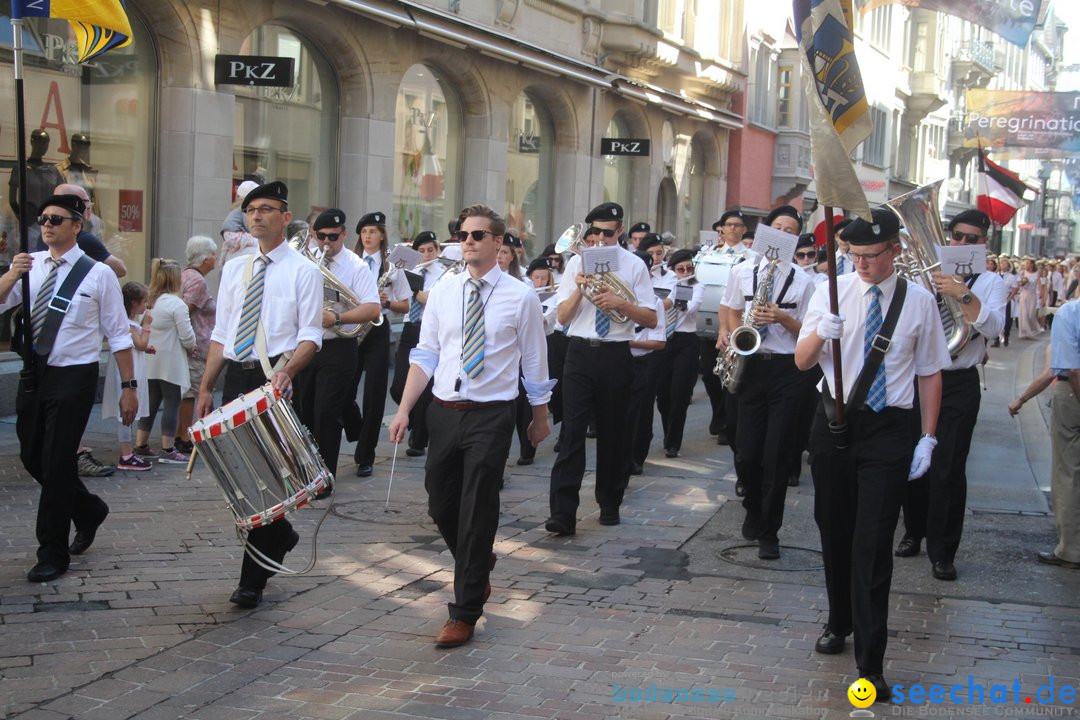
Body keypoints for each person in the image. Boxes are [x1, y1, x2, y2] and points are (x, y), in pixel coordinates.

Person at [795, 207, 950, 702]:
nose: (861, 264)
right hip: (834, 422)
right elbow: (802, 361)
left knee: (873, 541)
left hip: (890, 429)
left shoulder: (919, 301)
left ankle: (871, 662)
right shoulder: (830, 292)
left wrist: (928, 436)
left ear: (895, 251)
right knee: (833, 527)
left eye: (871, 255)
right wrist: (824, 332)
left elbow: (929, 371)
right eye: (853, 255)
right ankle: (838, 618)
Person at [388, 204, 552, 648]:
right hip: (444, 410)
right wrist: (404, 409)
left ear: (499, 242)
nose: (469, 241)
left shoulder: (521, 297)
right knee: (441, 503)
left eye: (479, 235)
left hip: (492, 414)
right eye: (464, 234)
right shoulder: (444, 289)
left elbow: (535, 362)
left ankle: (464, 612)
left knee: (478, 507)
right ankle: (476, 564)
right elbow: (425, 353)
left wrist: (539, 417)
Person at [196, 181, 323, 608]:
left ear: (285, 218)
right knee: (241, 475)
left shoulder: (304, 270)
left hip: (276, 379)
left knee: (268, 478)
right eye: (251, 209)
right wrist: (206, 385)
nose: (256, 216)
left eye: (267, 209)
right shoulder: (234, 268)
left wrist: (287, 371)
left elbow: (311, 335)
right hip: (236, 377)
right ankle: (280, 536)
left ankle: (252, 579)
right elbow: (221, 333)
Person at [1, 193, 138, 582]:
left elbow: (119, 334)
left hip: (74, 378)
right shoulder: (29, 266)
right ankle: (89, 509)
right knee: (33, 457)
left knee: (59, 463)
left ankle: (52, 551)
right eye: (43, 218)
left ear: (77, 226)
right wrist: (12, 273)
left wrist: (129, 386)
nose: (47, 224)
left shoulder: (98, 275)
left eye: (57, 219)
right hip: (33, 374)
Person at [894, 209, 1007, 580]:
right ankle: (914, 530)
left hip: (958, 381)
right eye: (956, 235)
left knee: (948, 467)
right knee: (913, 458)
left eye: (971, 239)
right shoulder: (924, 275)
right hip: (919, 376)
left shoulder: (991, 282)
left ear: (983, 243)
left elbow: (993, 326)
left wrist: (963, 294)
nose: (961, 243)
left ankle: (943, 550)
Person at [546, 202, 656, 536]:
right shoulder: (576, 263)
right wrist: (580, 291)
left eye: (607, 233)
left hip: (616, 353)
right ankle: (563, 512)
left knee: (613, 433)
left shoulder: (634, 265)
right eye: (593, 233)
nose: (598, 239)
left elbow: (651, 318)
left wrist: (621, 303)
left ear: (620, 231)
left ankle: (610, 502)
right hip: (579, 352)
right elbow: (562, 318)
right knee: (572, 432)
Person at [719, 205, 815, 559]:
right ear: (765, 232)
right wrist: (728, 332)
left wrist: (782, 317)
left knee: (776, 454)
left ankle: (769, 532)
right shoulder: (743, 271)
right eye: (778, 227)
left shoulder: (805, 282)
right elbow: (728, 307)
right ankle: (753, 508)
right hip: (750, 365)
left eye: (791, 230)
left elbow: (810, 333)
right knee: (746, 451)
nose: (783, 234)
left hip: (788, 369)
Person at [293, 209, 380, 490]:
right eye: (321, 237)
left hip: (338, 346)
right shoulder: (304, 261)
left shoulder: (356, 266)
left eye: (333, 236)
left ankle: (323, 479)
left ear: (343, 234)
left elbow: (373, 307)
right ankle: (305, 473)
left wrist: (338, 317)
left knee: (325, 414)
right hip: (306, 344)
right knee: (303, 412)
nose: (326, 242)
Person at [345, 211, 410, 477]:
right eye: (363, 232)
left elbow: (405, 304)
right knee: (345, 392)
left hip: (378, 330)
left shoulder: (392, 265)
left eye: (373, 231)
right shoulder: (350, 262)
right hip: (351, 329)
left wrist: (387, 302)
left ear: (381, 235)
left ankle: (366, 455)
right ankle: (358, 430)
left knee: (374, 393)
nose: (368, 236)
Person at [701, 211, 755, 445]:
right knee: (708, 372)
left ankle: (726, 422)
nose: (733, 228)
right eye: (728, 225)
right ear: (720, 229)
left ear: (744, 230)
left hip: (736, 323)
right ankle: (718, 410)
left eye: (738, 225)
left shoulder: (753, 258)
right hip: (707, 322)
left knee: (730, 373)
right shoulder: (706, 254)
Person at [134, 259, 195, 463]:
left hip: (150, 359)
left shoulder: (149, 301)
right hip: (171, 362)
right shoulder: (176, 304)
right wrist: (192, 346)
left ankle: (140, 443)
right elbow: (187, 336)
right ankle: (168, 448)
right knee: (172, 403)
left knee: (149, 403)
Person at [391, 231, 444, 457]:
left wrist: (417, 292)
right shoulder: (408, 270)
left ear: (437, 251)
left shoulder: (444, 273)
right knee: (398, 385)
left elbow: (433, 299)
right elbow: (392, 291)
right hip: (409, 329)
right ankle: (411, 418)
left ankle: (419, 440)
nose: (425, 255)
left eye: (430, 250)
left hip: (429, 330)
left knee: (424, 388)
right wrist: (393, 269)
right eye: (421, 251)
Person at [1038, 299, 1080, 568]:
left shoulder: (1069, 312)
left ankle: (1071, 549)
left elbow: (1072, 368)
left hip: (1073, 393)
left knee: (1068, 471)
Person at [655, 249, 703, 458]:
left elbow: (689, 309)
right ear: (672, 269)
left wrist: (676, 293)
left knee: (680, 393)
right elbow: (656, 307)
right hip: (665, 340)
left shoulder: (698, 286)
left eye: (689, 268)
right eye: (681, 269)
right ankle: (668, 434)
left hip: (686, 341)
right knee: (663, 395)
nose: (685, 272)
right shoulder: (664, 285)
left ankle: (674, 442)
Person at [176, 236, 218, 453]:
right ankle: (185, 436)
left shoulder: (186, 275)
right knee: (191, 393)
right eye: (213, 255)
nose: (215, 258)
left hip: (193, 345)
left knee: (189, 392)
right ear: (205, 259)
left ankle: (181, 433)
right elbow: (185, 310)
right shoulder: (197, 281)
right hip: (196, 347)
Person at [109, 282, 153, 471]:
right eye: (144, 302)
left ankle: (128, 452)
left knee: (130, 412)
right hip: (130, 371)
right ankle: (126, 454)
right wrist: (148, 326)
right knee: (126, 413)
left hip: (134, 366)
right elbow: (140, 343)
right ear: (134, 303)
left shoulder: (129, 324)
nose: (147, 306)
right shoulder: (129, 325)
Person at [1018, 258, 1041, 339]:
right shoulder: (1023, 272)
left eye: (1028, 263)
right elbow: (1019, 283)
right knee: (1024, 314)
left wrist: (1041, 294)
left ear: (1032, 264)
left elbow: (1039, 283)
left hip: (1032, 295)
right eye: (1026, 263)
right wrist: (1022, 282)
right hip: (1024, 294)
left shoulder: (1037, 273)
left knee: (1031, 314)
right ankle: (1025, 333)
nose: (1026, 265)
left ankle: (1033, 329)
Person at [998, 257, 1019, 346]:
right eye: (1001, 263)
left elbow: (1014, 289)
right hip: (997, 299)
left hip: (1006, 299)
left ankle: (1006, 336)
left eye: (1005, 264)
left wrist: (1009, 299)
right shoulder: (996, 275)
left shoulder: (1011, 277)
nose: (1003, 265)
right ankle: (996, 339)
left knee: (1007, 319)